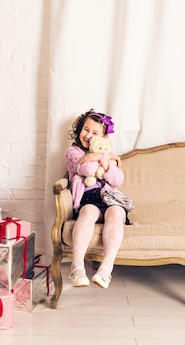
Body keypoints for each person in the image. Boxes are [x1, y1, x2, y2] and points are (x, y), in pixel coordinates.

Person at [64, 109, 128, 289]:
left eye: (95, 133)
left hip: (110, 199)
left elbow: (116, 180)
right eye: (86, 130)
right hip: (88, 199)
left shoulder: (108, 155)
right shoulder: (73, 152)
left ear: (104, 137)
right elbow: (87, 170)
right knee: (87, 212)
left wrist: (102, 157)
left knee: (115, 214)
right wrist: (103, 157)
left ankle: (106, 270)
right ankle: (77, 268)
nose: (89, 136)